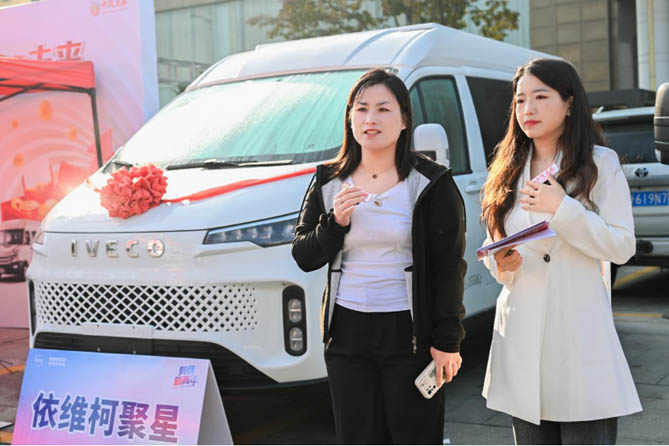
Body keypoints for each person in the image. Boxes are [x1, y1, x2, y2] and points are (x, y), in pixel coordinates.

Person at [291, 69, 467, 444]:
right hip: (346, 334)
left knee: (414, 436)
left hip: (410, 333)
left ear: (404, 120)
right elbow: (304, 254)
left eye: (383, 109)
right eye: (362, 109)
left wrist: (448, 340)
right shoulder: (328, 180)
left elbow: (449, 266)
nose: (371, 118)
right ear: (350, 118)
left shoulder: (431, 182)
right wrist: (335, 223)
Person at [480, 58, 642, 445]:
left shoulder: (599, 163)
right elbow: (495, 242)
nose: (528, 109)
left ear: (569, 103)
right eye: (520, 100)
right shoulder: (506, 167)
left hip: (578, 337)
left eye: (541, 97)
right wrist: (500, 262)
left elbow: (622, 246)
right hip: (521, 334)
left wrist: (563, 208)